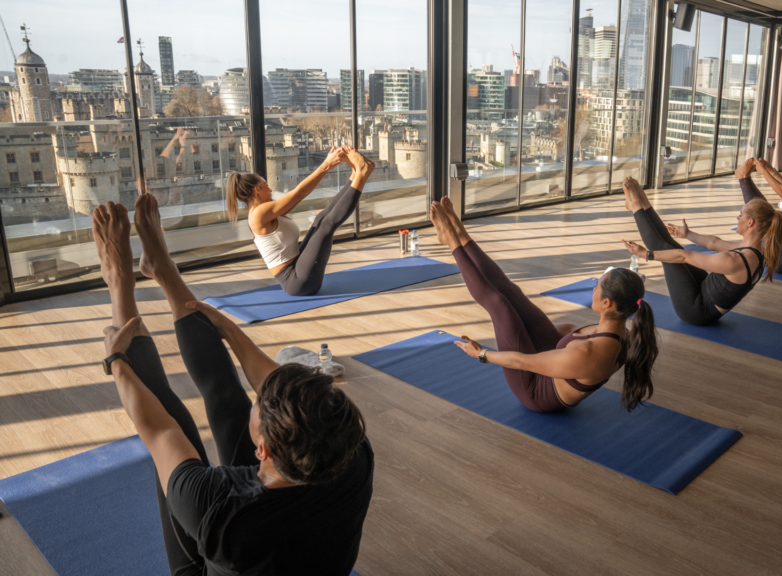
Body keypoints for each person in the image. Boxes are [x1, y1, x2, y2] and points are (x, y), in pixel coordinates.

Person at [94, 184, 373, 576]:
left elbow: (158, 430)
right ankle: (165, 273)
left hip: (221, 551)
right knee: (227, 399)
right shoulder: (351, 454)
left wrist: (116, 360)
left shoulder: (217, 506)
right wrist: (229, 328)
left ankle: (121, 284)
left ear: (263, 453)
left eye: (260, 403)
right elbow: (280, 388)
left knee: (181, 429)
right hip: (296, 531)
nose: (257, 391)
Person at [430, 196, 658, 413]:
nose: (593, 290)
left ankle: (451, 240)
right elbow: (568, 332)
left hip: (535, 392)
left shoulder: (591, 353)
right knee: (512, 293)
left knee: (499, 304)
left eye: (596, 287)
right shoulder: (619, 330)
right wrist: (530, 324)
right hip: (558, 359)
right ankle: (460, 233)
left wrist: (481, 353)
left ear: (607, 303)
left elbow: (522, 361)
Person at [621, 176, 782, 327]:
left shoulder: (735, 260)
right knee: (674, 248)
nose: (738, 218)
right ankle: (642, 202)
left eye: (740, 215)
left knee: (668, 252)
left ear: (750, 223)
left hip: (695, 311)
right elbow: (714, 243)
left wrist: (645, 254)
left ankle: (636, 206)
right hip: (704, 291)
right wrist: (688, 234)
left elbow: (685, 257)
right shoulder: (756, 250)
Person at [227, 145, 375, 296]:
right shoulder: (258, 213)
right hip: (298, 281)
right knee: (326, 225)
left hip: (298, 269)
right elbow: (299, 192)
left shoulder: (263, 212)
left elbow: (299, 196)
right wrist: (326, 165)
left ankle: (357, 174)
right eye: (266, 186)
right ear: (257, 190)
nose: (270, 189)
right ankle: (362, 173)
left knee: (321, 218)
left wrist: (328, 165)